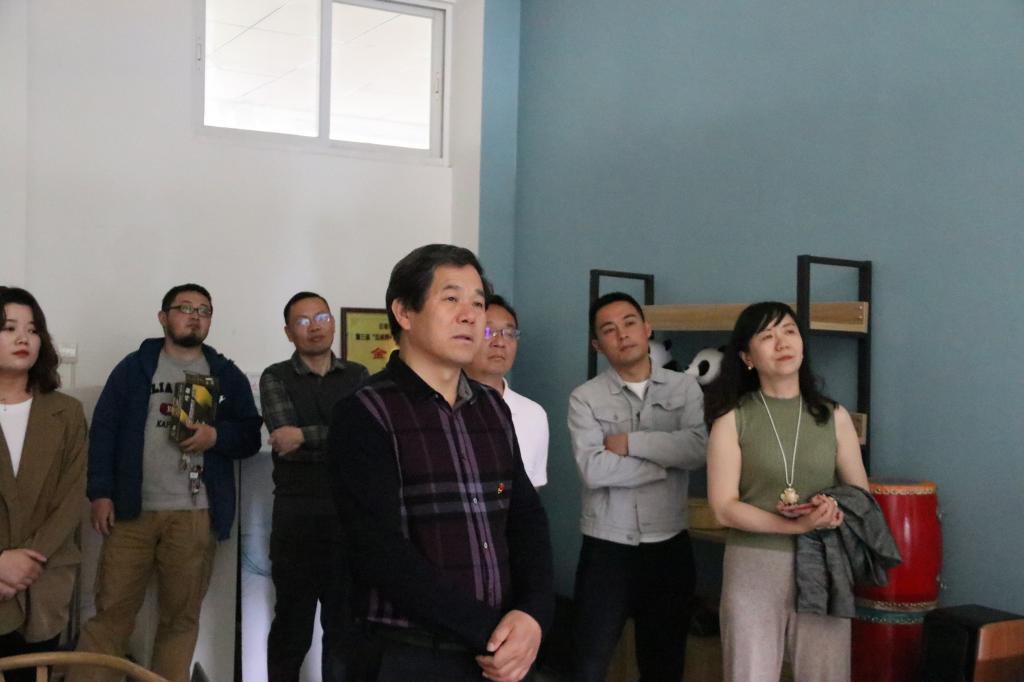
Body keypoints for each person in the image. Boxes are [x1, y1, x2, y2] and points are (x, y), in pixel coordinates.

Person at [328, 244, 553, 682]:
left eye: (478, 303)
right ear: (404, 312)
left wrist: (533, 614)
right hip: (410, 654)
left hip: (495, 653)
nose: (470, 316)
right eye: (451, 299)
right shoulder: (365, 412)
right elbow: (381, 553)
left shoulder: (492, 408)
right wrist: (492, 634)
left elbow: (525, 518)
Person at [74, 284, 262, 682]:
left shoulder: (225, 374)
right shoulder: (134, 368)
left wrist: (216, 437)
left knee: (181, 619)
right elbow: (104, 430)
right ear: (163, 317)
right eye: (185, 308)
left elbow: (249, 435)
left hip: (195, 515)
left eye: (204, 310)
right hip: (131, 512)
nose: (195, 316)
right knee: (110, 614)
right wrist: (100, 493)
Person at [704, 301, 869, 682]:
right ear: (747, 357)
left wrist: (831, 509)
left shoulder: (834, 416)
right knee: (749, 673)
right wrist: (793, 526)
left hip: (824, 562)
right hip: (754, 566)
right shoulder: (732, 418)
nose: (782, 343)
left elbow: (860, 497)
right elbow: (723, 508)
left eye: (789, 331)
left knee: (826, 674)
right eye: (767, 336)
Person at [567, 292, 707, 682]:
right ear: (597, 344)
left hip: (669, 546)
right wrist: (662, 465)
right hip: (607, 549)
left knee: (664, 667)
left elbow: (696, 450)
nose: (622, 335)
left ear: (647, 329)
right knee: (587, 665)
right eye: (608, 330)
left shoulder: (684, 388)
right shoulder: (585, 398)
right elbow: (593, 469)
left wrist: (631, 444)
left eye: (629, 323)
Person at [260, 292, 368, 682]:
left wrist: (305, 435)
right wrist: (340, 437)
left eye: (321, 317)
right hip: (296, 519)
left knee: (345, 628)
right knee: (292, 625)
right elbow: (283, 442)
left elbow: (367, 438)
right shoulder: (276, 376)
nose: (315, 327)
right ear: (289, 332)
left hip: (348, 519)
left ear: (333, 323)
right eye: (303, 321)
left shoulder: (358, 375)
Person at [0, 287, 87, 682]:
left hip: (44, 579)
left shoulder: (66, 412)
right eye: (9, 328)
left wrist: (27, 562)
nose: (23, 338)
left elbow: (71, 497)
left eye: (32, 329)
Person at [465, 294, 548, 488]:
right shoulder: (442, 406)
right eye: (488, 331)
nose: (500, 342)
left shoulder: (533, 414)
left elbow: (531, 492)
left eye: (509, 333)